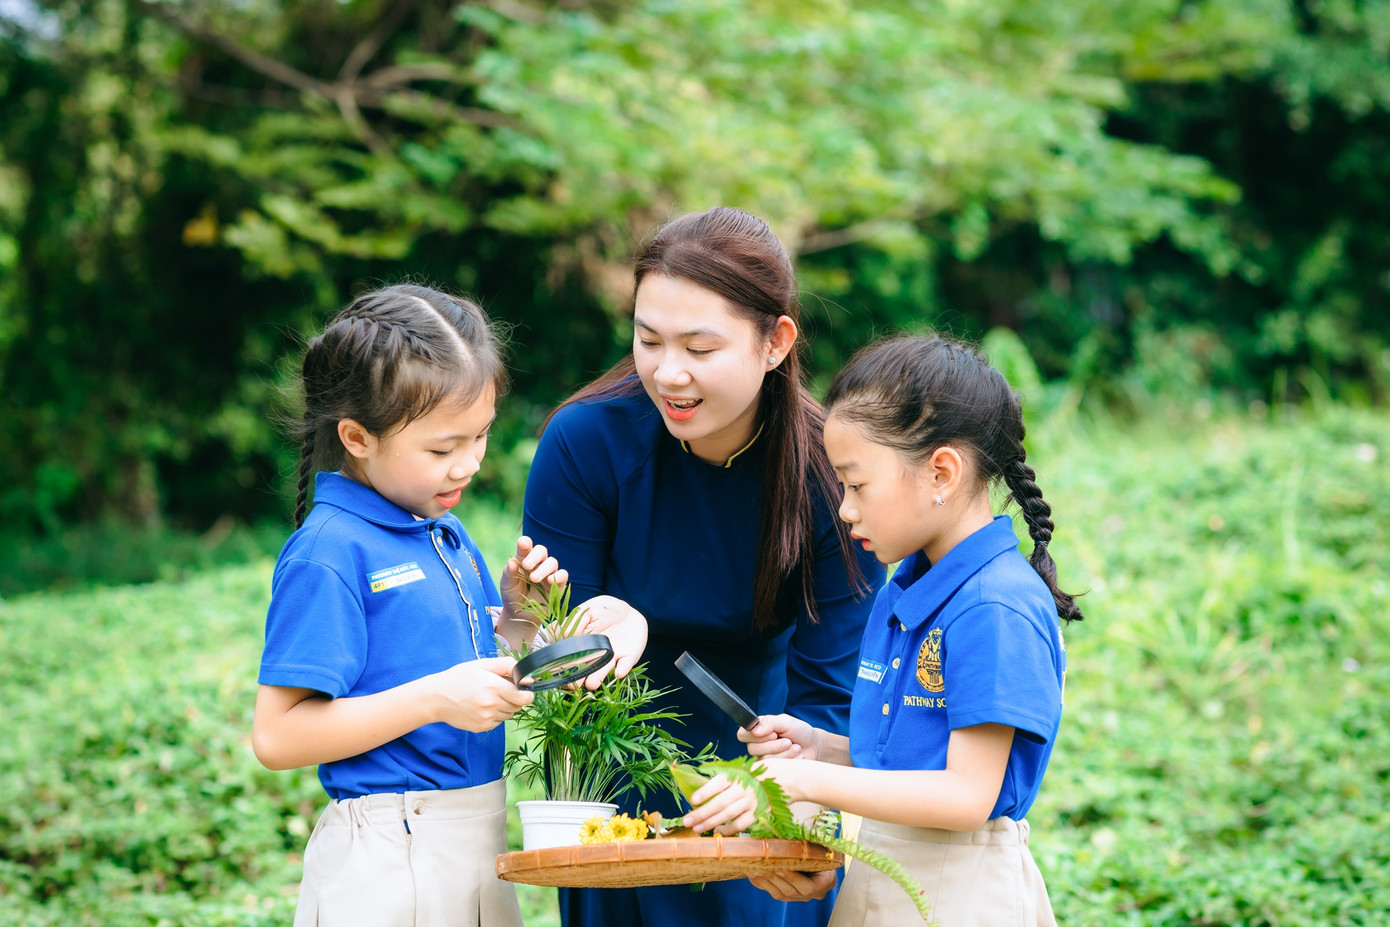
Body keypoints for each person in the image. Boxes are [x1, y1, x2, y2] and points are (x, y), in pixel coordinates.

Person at [522, 206, 885, 927]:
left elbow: (832, 699)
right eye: (647, 339)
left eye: (700, 347)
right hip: (610, 776)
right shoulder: (585, 442)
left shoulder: (829, 472)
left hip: (763, 770)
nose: (667, 372)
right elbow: (548, 667)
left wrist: (780, 796)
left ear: (776, 342)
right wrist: (580, 628)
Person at [251, 283, 645, 927]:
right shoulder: (328, 552)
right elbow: (277, 735)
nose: (467, 465)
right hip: (389, 856)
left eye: (480, 436)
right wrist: (434, 700)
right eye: (441, 449)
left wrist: (524, 618)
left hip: (476, 836)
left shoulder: (441, 529)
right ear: (356, 436)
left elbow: (484, 669)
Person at [685, 334, 1084, 926]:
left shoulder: (992, 606)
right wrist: (824, 749)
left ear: (941, 473)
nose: (844, 509)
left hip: (961, 894)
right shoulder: (904, 590)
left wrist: (804, 778)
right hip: (881, 870)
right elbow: (911, 768)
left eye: (856, 484)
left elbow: (965, 795)